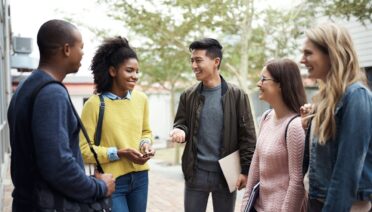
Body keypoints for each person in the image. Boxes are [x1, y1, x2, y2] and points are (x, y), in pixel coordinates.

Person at [7, 19, 115, 211]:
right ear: (66, 49)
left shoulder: (26, 87)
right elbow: (58, 165)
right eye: (80, 47)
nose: (82, 53)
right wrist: (99, 187)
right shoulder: (52, 93)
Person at [170, 38, 257, 212]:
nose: (194, 65)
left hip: (226, 175)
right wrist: (179, 130)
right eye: (192, 60)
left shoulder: (237, 95)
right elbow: (181, 123)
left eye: (198, 60)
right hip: (195, 174)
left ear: (216, 62)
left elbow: (247, 137)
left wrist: (246, 171)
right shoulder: (188, 95)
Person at [300, 23, 372, 211]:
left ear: (332, 54)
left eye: (308, 53)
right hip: (319, 199)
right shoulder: (327, 98)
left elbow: (347, 170)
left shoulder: (356, 96)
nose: (302, 60)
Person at [79, 36, 154, 212]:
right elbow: (84, 150)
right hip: (112, 180)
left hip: (141, 177)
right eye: (129, 71)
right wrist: (120, 153)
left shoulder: (141, 99)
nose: (134, 76)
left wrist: (146, 144)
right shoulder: (94, 104)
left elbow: (145, 131)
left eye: (137, 71)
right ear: (113, 71)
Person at [241, 58, 307, 212]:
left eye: (263, 79)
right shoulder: (266, 117)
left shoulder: (295, 126)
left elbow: (297, 183)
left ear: (281, 84)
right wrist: (244, 208)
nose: (258, 84)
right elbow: (254, 170)